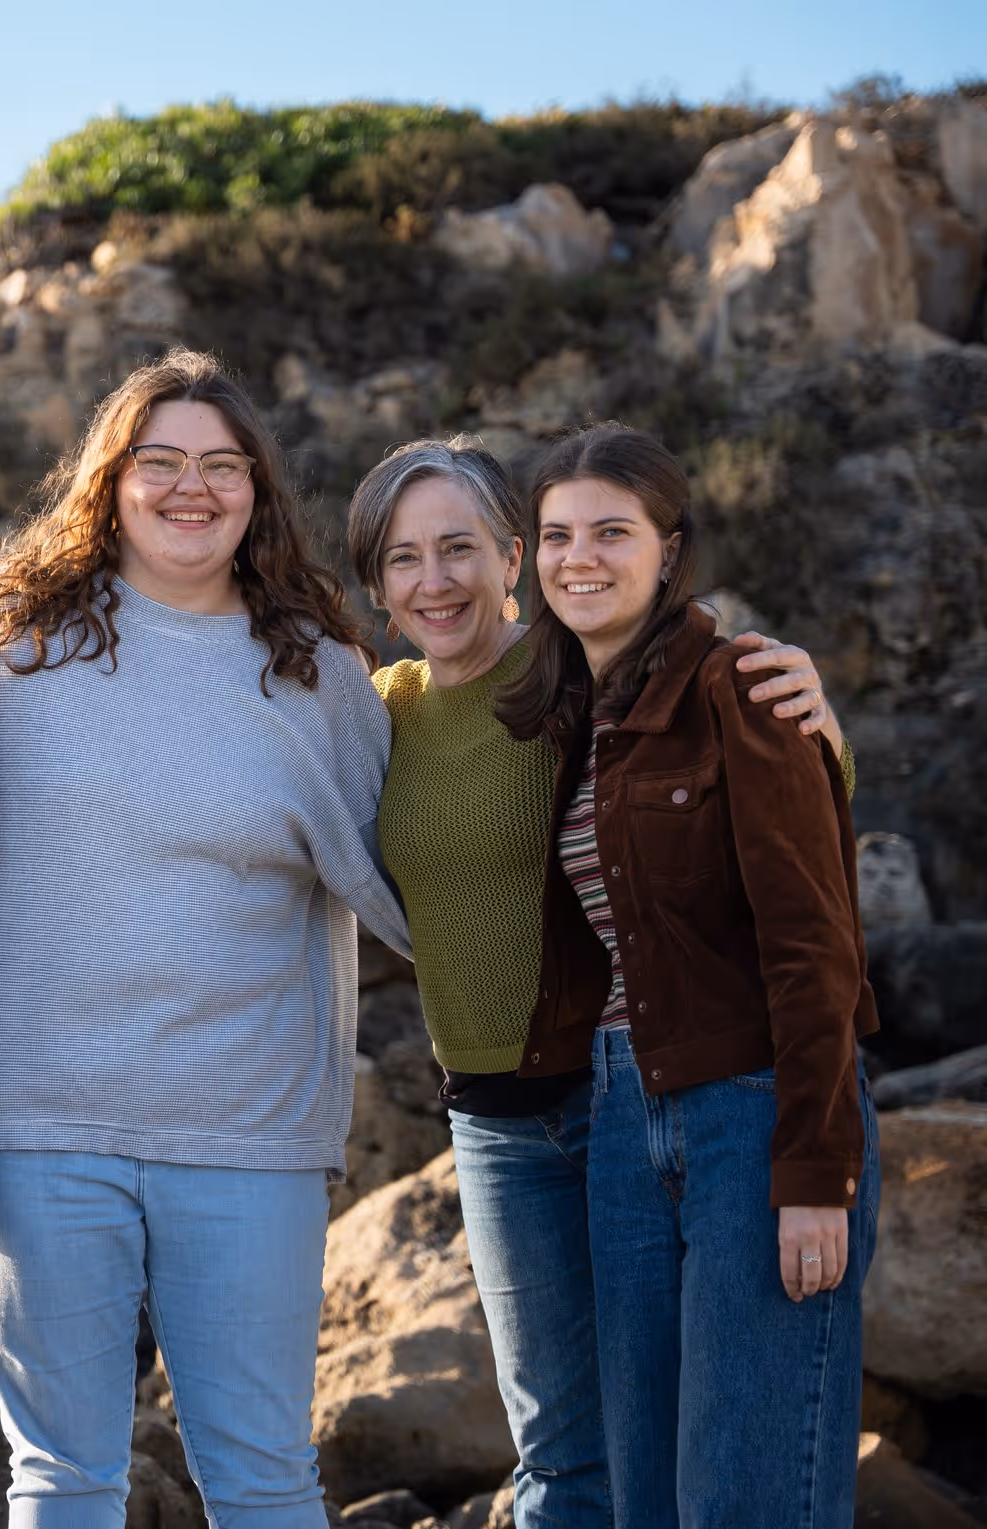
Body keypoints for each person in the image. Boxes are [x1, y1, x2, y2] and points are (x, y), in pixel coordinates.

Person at [345, 436, 848, 1529]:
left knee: (703, 1454)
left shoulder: (583, 672)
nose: (432, 578)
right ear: (376, 584)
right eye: (400, 557)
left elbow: (779, 857)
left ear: (506, 558)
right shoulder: (374, 712)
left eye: (458, 548)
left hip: (639, 1090)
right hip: (504, 1117)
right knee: (572, 1454)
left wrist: (818, 725)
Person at [0, 348, 411, 1529]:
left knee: (263, 1474)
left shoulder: (320, 681)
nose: (189, 487)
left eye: (221, 465)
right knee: (61, 1474)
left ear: (257, 492)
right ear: (108, 482)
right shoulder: (0, 645)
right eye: (157, 462)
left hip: (249, 1134)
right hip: (35, 1123)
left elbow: (420, 885)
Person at [498, 424, 878, 1529]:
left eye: (610, 532)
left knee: (745, 1493)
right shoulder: (579, 715)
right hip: (621, 1119)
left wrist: (814, 1169)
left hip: (750, 1113)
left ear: (668, 551)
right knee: (650, 1496)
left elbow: (814, 945)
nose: (580, 557)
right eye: (557, 534)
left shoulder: (741, 686)